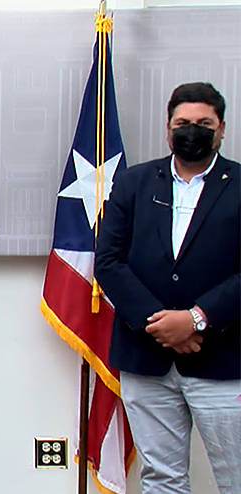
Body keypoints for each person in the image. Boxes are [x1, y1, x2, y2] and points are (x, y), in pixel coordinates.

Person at [95, 82, 240, 493]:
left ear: (222, 128)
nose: (191, 131)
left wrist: (195, 320)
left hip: (224, 361)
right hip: (147, 357)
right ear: (167, 128)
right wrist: (160, 324)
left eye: (203, 124)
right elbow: (108, 260)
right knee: (161, 478)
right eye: (183, 123)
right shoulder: (135, 183)